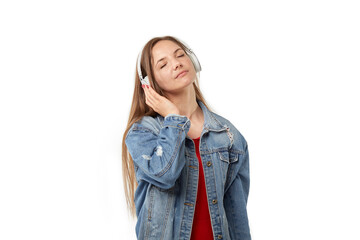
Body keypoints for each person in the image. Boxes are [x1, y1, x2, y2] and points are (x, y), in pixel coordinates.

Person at [121, 35, 251, 240]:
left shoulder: (229, 136)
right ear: (149, 84)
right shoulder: (143, 132)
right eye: (163, 64)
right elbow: (164, 174)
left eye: (180, 55)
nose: (177, 64)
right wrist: (174, 119)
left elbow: (237, 218)